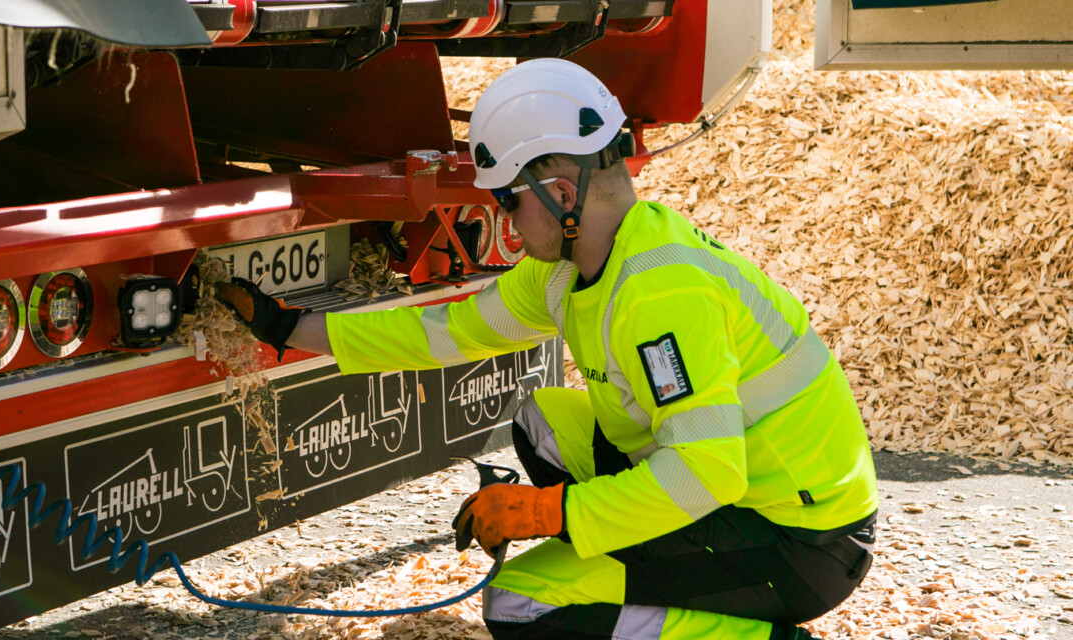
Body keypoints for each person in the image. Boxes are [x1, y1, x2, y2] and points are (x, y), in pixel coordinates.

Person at [216, 59, 878, 640]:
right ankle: (639, 569)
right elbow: (447, 332)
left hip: (801, 543)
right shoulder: (572, 264)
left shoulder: (658, 295)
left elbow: (709, 473)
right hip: (753, 496)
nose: (505, 220)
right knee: (541, 422)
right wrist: (291, 330)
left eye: (508, 203)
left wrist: (544, 512)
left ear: (561, 195)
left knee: (519, 605)